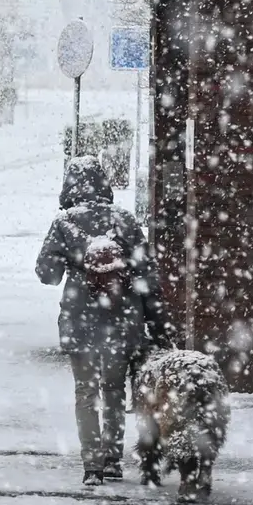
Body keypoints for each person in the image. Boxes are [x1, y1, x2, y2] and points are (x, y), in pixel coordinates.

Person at [36, 155, 171, 485]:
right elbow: (147, 277)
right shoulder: (124, 220)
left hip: (80, 322)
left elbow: (47, 274)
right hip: (123, 321)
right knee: (114, 392)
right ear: (104, 184)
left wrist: (74, 264)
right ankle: (113, 459)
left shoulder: (64, 222)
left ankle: (91, 465)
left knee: (85, 393)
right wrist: (156, 323)